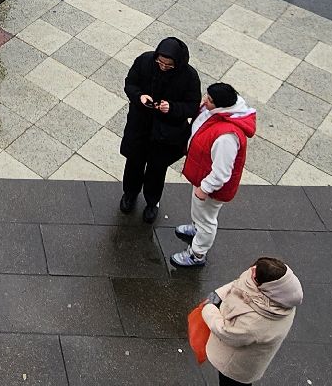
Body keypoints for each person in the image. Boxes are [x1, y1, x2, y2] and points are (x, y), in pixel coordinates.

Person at [172, 82, 257, 268]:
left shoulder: (227, 137)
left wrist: (205, 188)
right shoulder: (221, 115)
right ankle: (196, 228)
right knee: (200, 214)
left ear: (221, 105)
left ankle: (197, 254)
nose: (204, 101)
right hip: (202, 177)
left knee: (207, 221)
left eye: (209, 100)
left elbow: (221, 172)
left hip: (209, 186)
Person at [118, 37, 202, 223]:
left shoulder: (189, 76)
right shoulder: (145, 61)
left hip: (166, 134)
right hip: (140, 125)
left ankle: (152, 202)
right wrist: (139, 97)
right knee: (134, 163)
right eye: (160, 62)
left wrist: (171, 108)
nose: (163, 67)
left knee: (157, 170)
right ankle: (129, 195)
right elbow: (130, 84)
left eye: (168, 65)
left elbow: (192, 106)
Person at [201, 257, 303, 386]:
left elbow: (227, 333)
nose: (250, 272)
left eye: (254, 275)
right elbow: (242, 284)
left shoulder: (255, 323)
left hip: (237, 366)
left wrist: (208, 309)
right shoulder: (283, 291)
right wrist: (220, 293)